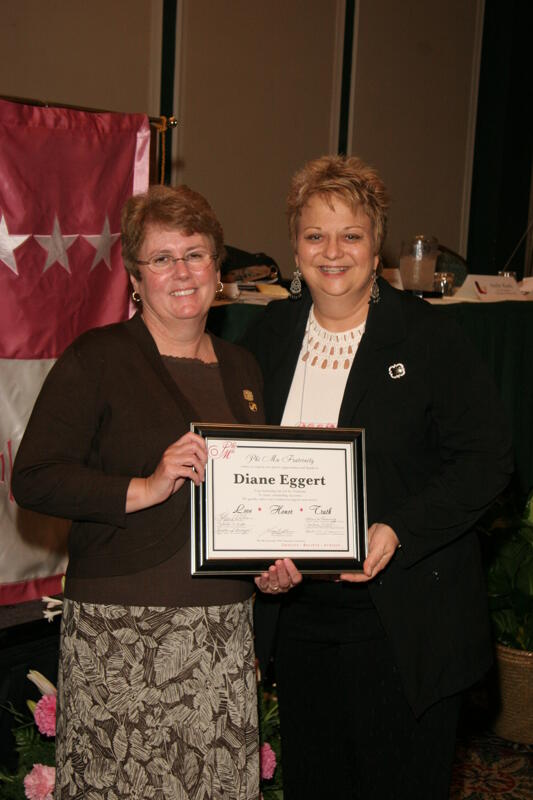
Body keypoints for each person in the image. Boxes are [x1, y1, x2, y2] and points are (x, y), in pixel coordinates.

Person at [247, 155, 513, 799]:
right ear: (294, 245)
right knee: (317, 785)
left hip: (402, 616)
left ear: (377, 246)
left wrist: (399, 528)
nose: (331, 251)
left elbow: (488, 462)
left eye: (351, 235)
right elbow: (248, 466)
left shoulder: (429, 337)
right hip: (301, 616)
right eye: (315, 235)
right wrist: (254, 553)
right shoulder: (268, 334)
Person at [12, 184, 266, 800]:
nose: (181, 272)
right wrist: (145, 487)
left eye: (196, 254)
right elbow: (34, 476)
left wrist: (273, 563)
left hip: (222, 633)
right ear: (135, 275)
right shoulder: (97, 358)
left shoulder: (243, 369)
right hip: (123, 635)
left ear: (218, 269)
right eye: (162, 258)